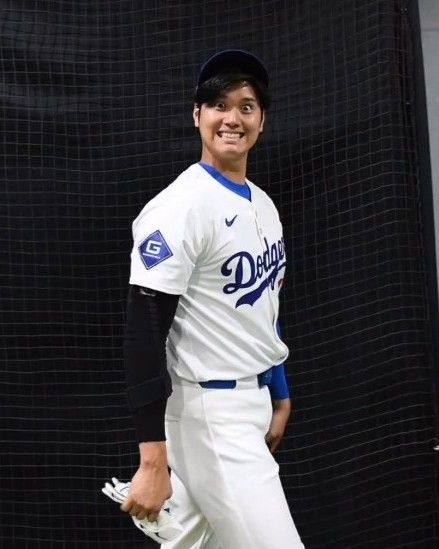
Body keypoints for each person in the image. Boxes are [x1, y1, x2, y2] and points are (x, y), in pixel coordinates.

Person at [122, 49, 305, 548]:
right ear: (197, 114)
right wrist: (152, 461)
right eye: (219, 104)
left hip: (250, 404)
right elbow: (143, 333)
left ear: (262, 121)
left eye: (246, 106)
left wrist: (279, 389)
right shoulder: (180, 207)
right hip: (208, 413)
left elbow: (264, 305)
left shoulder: (264, 206)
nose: (232, 118)